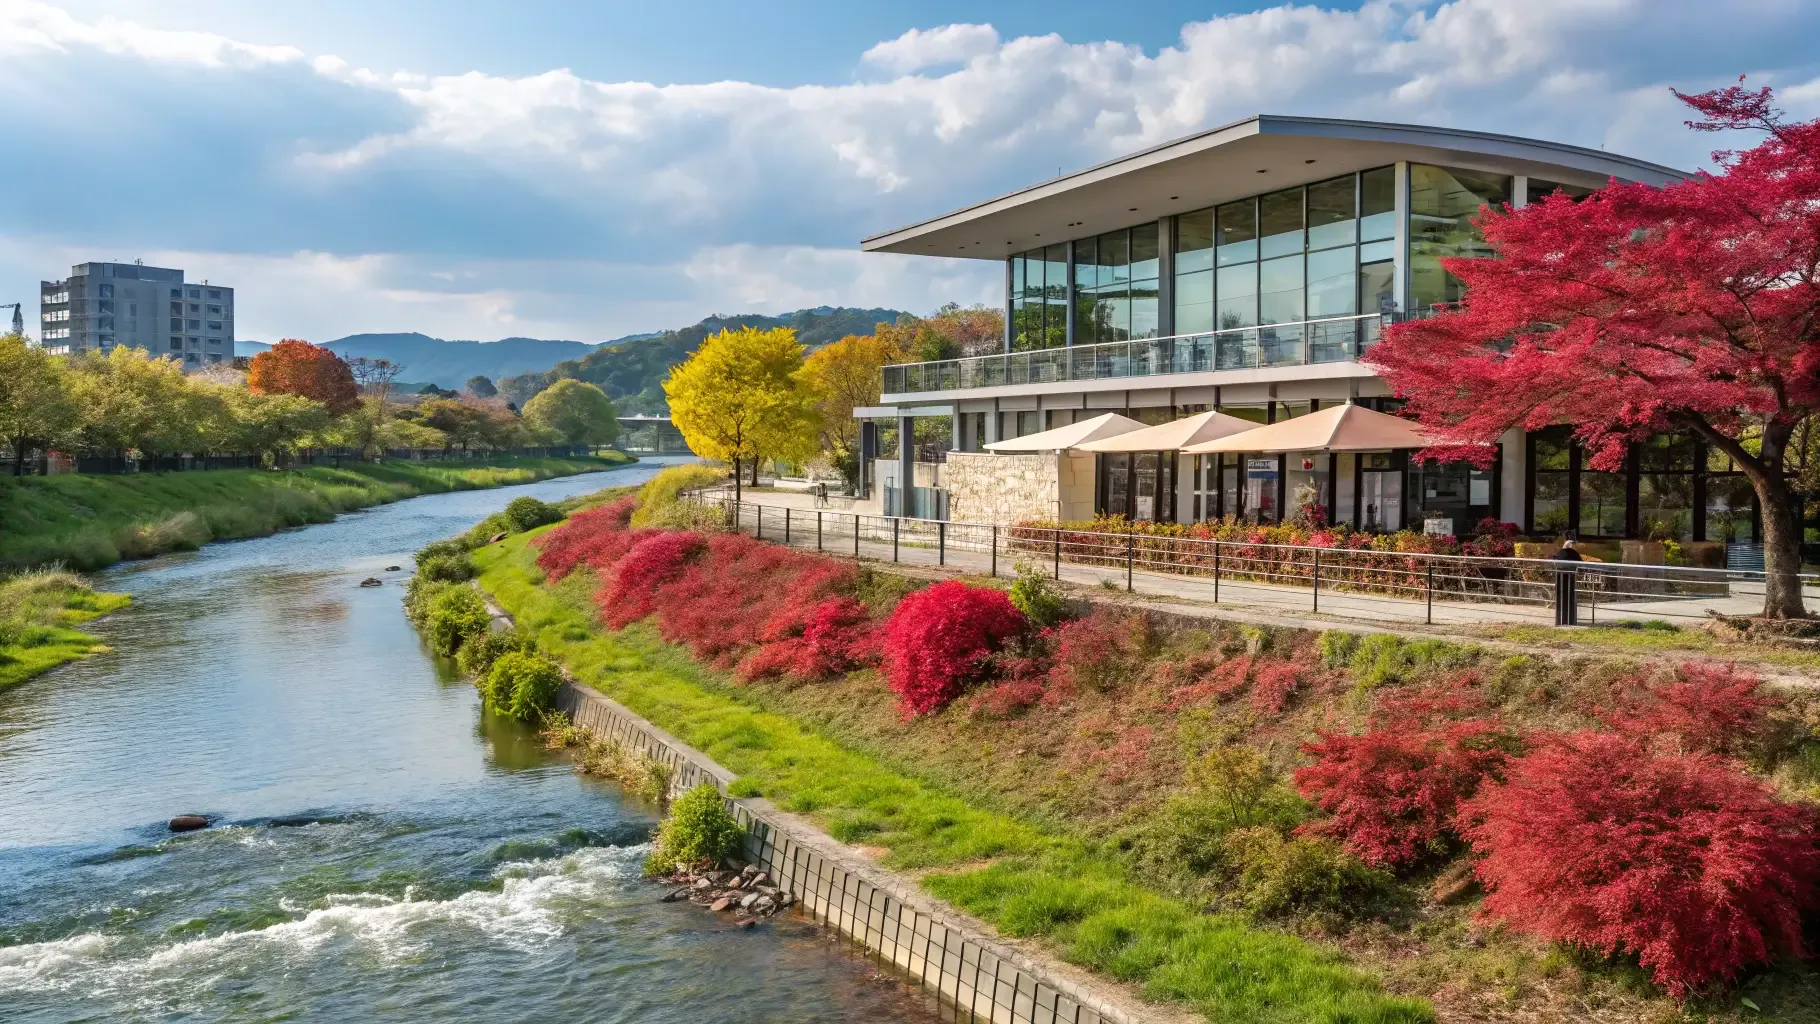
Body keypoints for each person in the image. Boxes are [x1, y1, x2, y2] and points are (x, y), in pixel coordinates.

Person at [1549, 535, 1582, 624]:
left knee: (1561, 600)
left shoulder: (1560, 553)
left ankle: (1560, 620)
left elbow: (1554, 561)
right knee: (1570, 600)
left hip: (1560, 579)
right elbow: (1580, 563)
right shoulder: (1574, 554)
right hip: (1571, 579)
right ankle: (1570, 620)